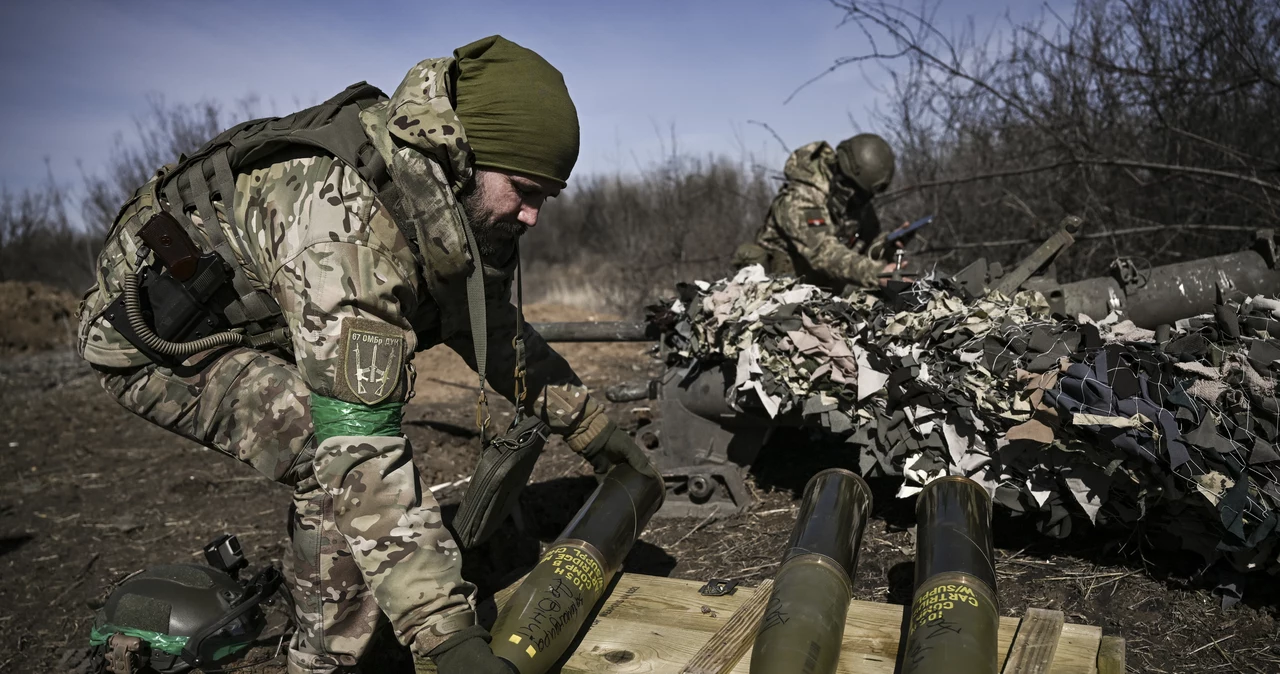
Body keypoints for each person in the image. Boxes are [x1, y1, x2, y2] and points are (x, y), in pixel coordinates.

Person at [75, 35, 656, 674]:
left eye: (546, 196)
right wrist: (448, 640)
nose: (532, 216)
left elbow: (492, 331)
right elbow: (360, 451)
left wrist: (595, 431)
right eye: (522, 189)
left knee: (344, 458)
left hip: (262, 316)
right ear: (461, 155)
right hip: (154, 343)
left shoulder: (441, 203)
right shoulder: (344, 234)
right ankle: (325, 663)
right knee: (324, 463)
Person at [735, 134, 903, 290]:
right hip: (774, 294)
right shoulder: (801, 198)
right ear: (844, 179)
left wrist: (886, 245)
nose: (863, 200)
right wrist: (876, 273)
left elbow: (865, 243)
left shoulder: (852, 199)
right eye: (860, 193)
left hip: (816, 295)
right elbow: (823, 252)